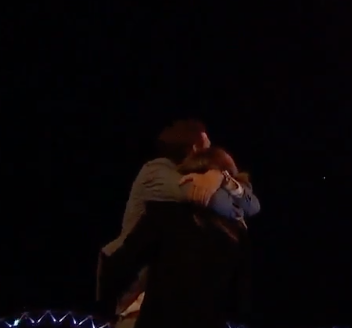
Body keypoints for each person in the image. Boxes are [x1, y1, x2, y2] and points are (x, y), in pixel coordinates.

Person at [97, 119, 260, 326]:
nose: (210, 146)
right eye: (207, 143)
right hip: (138, 303)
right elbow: (207, 197)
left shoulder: (166, 215)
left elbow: (122, 265)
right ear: (195, 148)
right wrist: (226, 187)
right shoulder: (158, 171)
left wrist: (222, 178)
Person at [99, 196, 252, 328]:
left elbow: (119, 266)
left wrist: (109, 309)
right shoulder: (234, 238)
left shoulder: (165, 215)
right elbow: (239, 305)